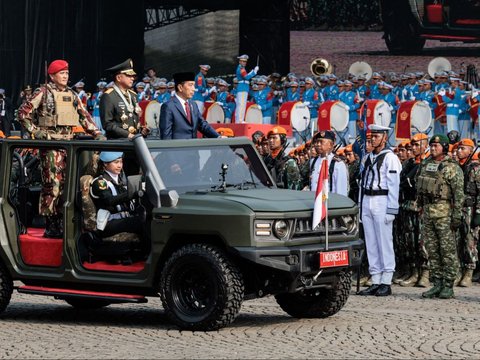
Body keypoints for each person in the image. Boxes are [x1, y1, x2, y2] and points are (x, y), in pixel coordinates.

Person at [17, 59, 104, 238]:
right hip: (51, 147)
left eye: (66, 73)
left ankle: (64, 223)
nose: (65, 76)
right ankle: (51, 225)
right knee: (52, 185)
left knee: (68, 186)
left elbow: (84, 116)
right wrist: (37, 132)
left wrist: (97, 133)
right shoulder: (43, 93)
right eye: (61, 73)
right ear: (52, 75)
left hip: (69, 146)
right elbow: (23, 113)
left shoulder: (72, 95)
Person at [416, 134, 464, 299]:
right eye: (432, 145)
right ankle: (437, 283)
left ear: (444, 147)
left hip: (444, 214)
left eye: (436, 145)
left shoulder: (452, 167)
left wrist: (457, 217)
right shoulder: (426, 164)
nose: (433, 148)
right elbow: (419, 187)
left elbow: (459, 195)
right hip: (428, 212)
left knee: (447, 251)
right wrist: (420, 206)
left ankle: (448, 285)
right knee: (433, 250)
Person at [358, 124, 402, 297]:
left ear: (385, 138)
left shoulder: (390, 158)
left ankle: (386, 280)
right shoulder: (368, 157)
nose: (373, 139)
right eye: (371, 136)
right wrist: (361, 207)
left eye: (376, 136)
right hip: (368, 200)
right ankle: (375, 279)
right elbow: (362, 183)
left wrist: (392, 209)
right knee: (371, 241)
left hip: (382, 200)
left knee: (384, 241)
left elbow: (394, 185)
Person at [90, 151, 144, 240]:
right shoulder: (100, 182)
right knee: (140, 222)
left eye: (121, 161)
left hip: (123, 218)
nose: (120, 165)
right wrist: (132, 193)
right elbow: (109, 200)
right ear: (105, 164)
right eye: (116, 162)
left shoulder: (120, 180)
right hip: (108, 223)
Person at [159, 72, 219, 139]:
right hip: (177, 148)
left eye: (194, 85)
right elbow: (166, 135)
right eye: (190, 85)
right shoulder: (168, 107)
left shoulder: (193, 105)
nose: (193, 89)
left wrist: (218, 137)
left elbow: (202, 125)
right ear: (180, 87)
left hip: (193, 147)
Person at [100, 58, 149, 140]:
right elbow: (107, 124)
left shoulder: (133, 95)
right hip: (118, 142)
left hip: (135, 140)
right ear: (119, 78)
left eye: (133, 76)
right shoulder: (108, 96)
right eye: (129, 75)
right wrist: (128, 135)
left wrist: (141, 130)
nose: (132, 78)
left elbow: (132, 120)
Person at [455, 138, 480, 287]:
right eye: (458, 148)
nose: (459, 151)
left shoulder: (475, 168)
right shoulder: (458, 167)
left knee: (470, 241)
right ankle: (459, 270)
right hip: (458, 208)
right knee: (458, 240)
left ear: (471, 151)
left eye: (463, 148)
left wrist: (478, 213)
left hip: (470, 208)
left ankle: (469, 272)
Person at [310, 130, 348, 196]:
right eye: (317, 142)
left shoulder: (337, 164)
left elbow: (341, 192)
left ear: (330, 145)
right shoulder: (313, 161)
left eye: (321, 142)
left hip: (330, 203)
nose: (318, 144)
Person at [235, 54, 258, 123]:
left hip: (243, 87)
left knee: (242, 104)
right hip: (242, 87)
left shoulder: (242, 68)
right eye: (243, 61)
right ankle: (239, 120)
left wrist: (252, 71)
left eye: (245, 62)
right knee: (241, 104)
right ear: (240, 61)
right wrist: (254, 72)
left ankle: (240, 119)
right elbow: (247, 77)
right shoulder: (241, 68)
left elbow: (246, 75)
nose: (244, 63)